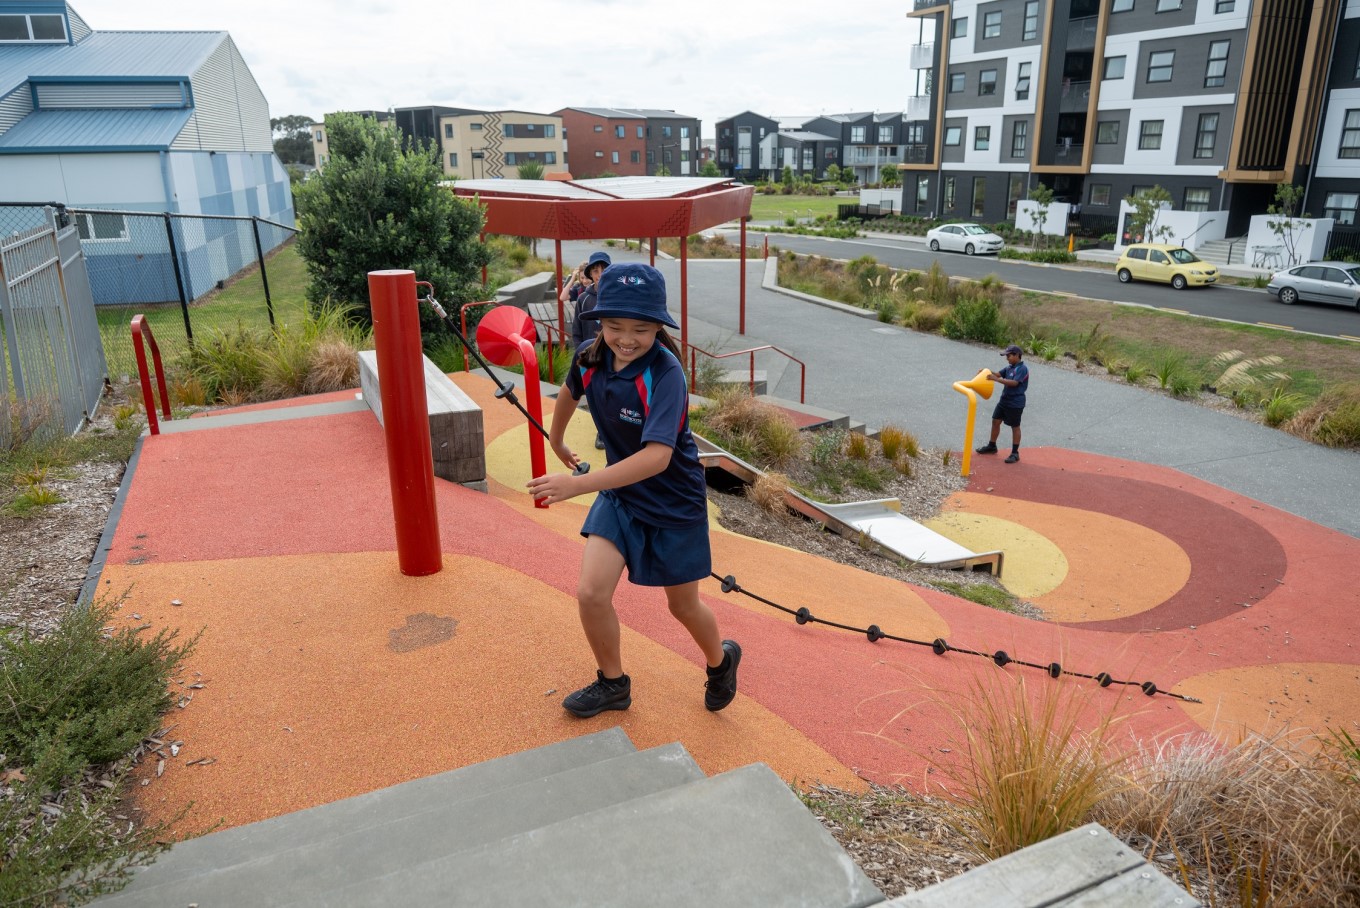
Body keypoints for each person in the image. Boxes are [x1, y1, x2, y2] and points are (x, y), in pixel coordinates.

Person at [528, 262, 741, 718]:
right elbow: (569, 391)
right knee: (590, 592)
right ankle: (613, 684)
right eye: (613, 326)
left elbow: (656, 458)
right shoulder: (591, 353)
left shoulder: (666, 374)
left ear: (659, 328)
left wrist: (577, 484)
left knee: (682, 606)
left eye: (641, 329)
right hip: (621, 495)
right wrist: (558, 438)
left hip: (673, 503)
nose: (626, 338)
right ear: (600, 323)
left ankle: (721, 662)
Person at [569, 251, 612, 449]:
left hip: (614, 353)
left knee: (612, 394)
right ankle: (602, 432)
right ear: (591, 274)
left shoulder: (616, 296)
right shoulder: (583, 299)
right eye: (595, 271)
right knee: (596, 395)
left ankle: (613, 430)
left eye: (604, 269)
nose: (600, 274)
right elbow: (576, 330)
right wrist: (580, 352)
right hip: (591, 355)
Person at [976, 344, 1029, 464]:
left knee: (1015, 426)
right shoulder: (1009, 367)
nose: (1007, 358)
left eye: (1009, 356)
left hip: (1015, 403)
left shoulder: (1022, 369)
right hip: (1004, 400)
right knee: (995, 421)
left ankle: (1015, 453)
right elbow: (997, 374)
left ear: (1017, 355)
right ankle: (992, 446)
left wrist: (996, 379)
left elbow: (1014, 383)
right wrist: (986, 372)